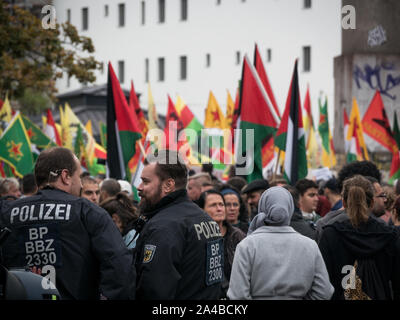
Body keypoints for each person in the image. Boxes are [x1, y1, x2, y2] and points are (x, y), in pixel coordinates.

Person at [0, 147, 136, 300]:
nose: (81, 185)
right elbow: (120, 267)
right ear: (65, 176)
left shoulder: (6, 212)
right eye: (78, 177)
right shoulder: (88, 212)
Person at [135, 150, 223, 300]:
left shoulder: (164, 226)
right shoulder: (204, 218)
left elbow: (155, 289)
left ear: (168, 185)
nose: (139, 187)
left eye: (146, 181)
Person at [227, 187, 334, 300]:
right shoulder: (310, 245)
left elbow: (238, 295)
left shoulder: (247, 245)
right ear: (290, 208)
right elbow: (324, 292)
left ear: (262, 207)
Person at [318, 175, 400, 300]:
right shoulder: (389, 234)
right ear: (372, 202)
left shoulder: (330, 234)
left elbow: (323, 282)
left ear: (344, 202)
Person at [315, 161, 382, 243]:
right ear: (372, 201)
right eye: (381, 195)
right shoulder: (386, 231)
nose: (385, 200)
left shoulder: (325, 225)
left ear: (343, 200)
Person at [198, 189, 245, 298]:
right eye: (213, 205)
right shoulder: (197, 236)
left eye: (221, 204)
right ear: (201, 210)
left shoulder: (237, 235)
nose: (219, 209)